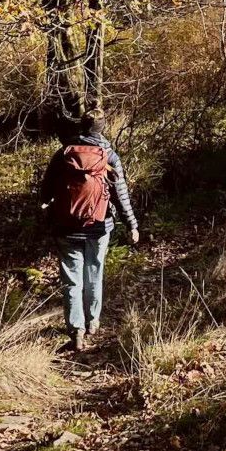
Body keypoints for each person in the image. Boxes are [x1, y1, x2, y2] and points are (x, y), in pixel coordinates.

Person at [38, 112, 140, 352]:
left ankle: (76, 331)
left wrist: (48, 208)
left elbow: (46, 191)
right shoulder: (109, 156)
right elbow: (120, 195)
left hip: (66, 228)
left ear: (81, 128)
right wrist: (132, 224)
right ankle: (92, 321)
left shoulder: (63, 155)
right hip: (99, 227)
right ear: (102, 130)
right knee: (94, 273)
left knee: (72, 279)